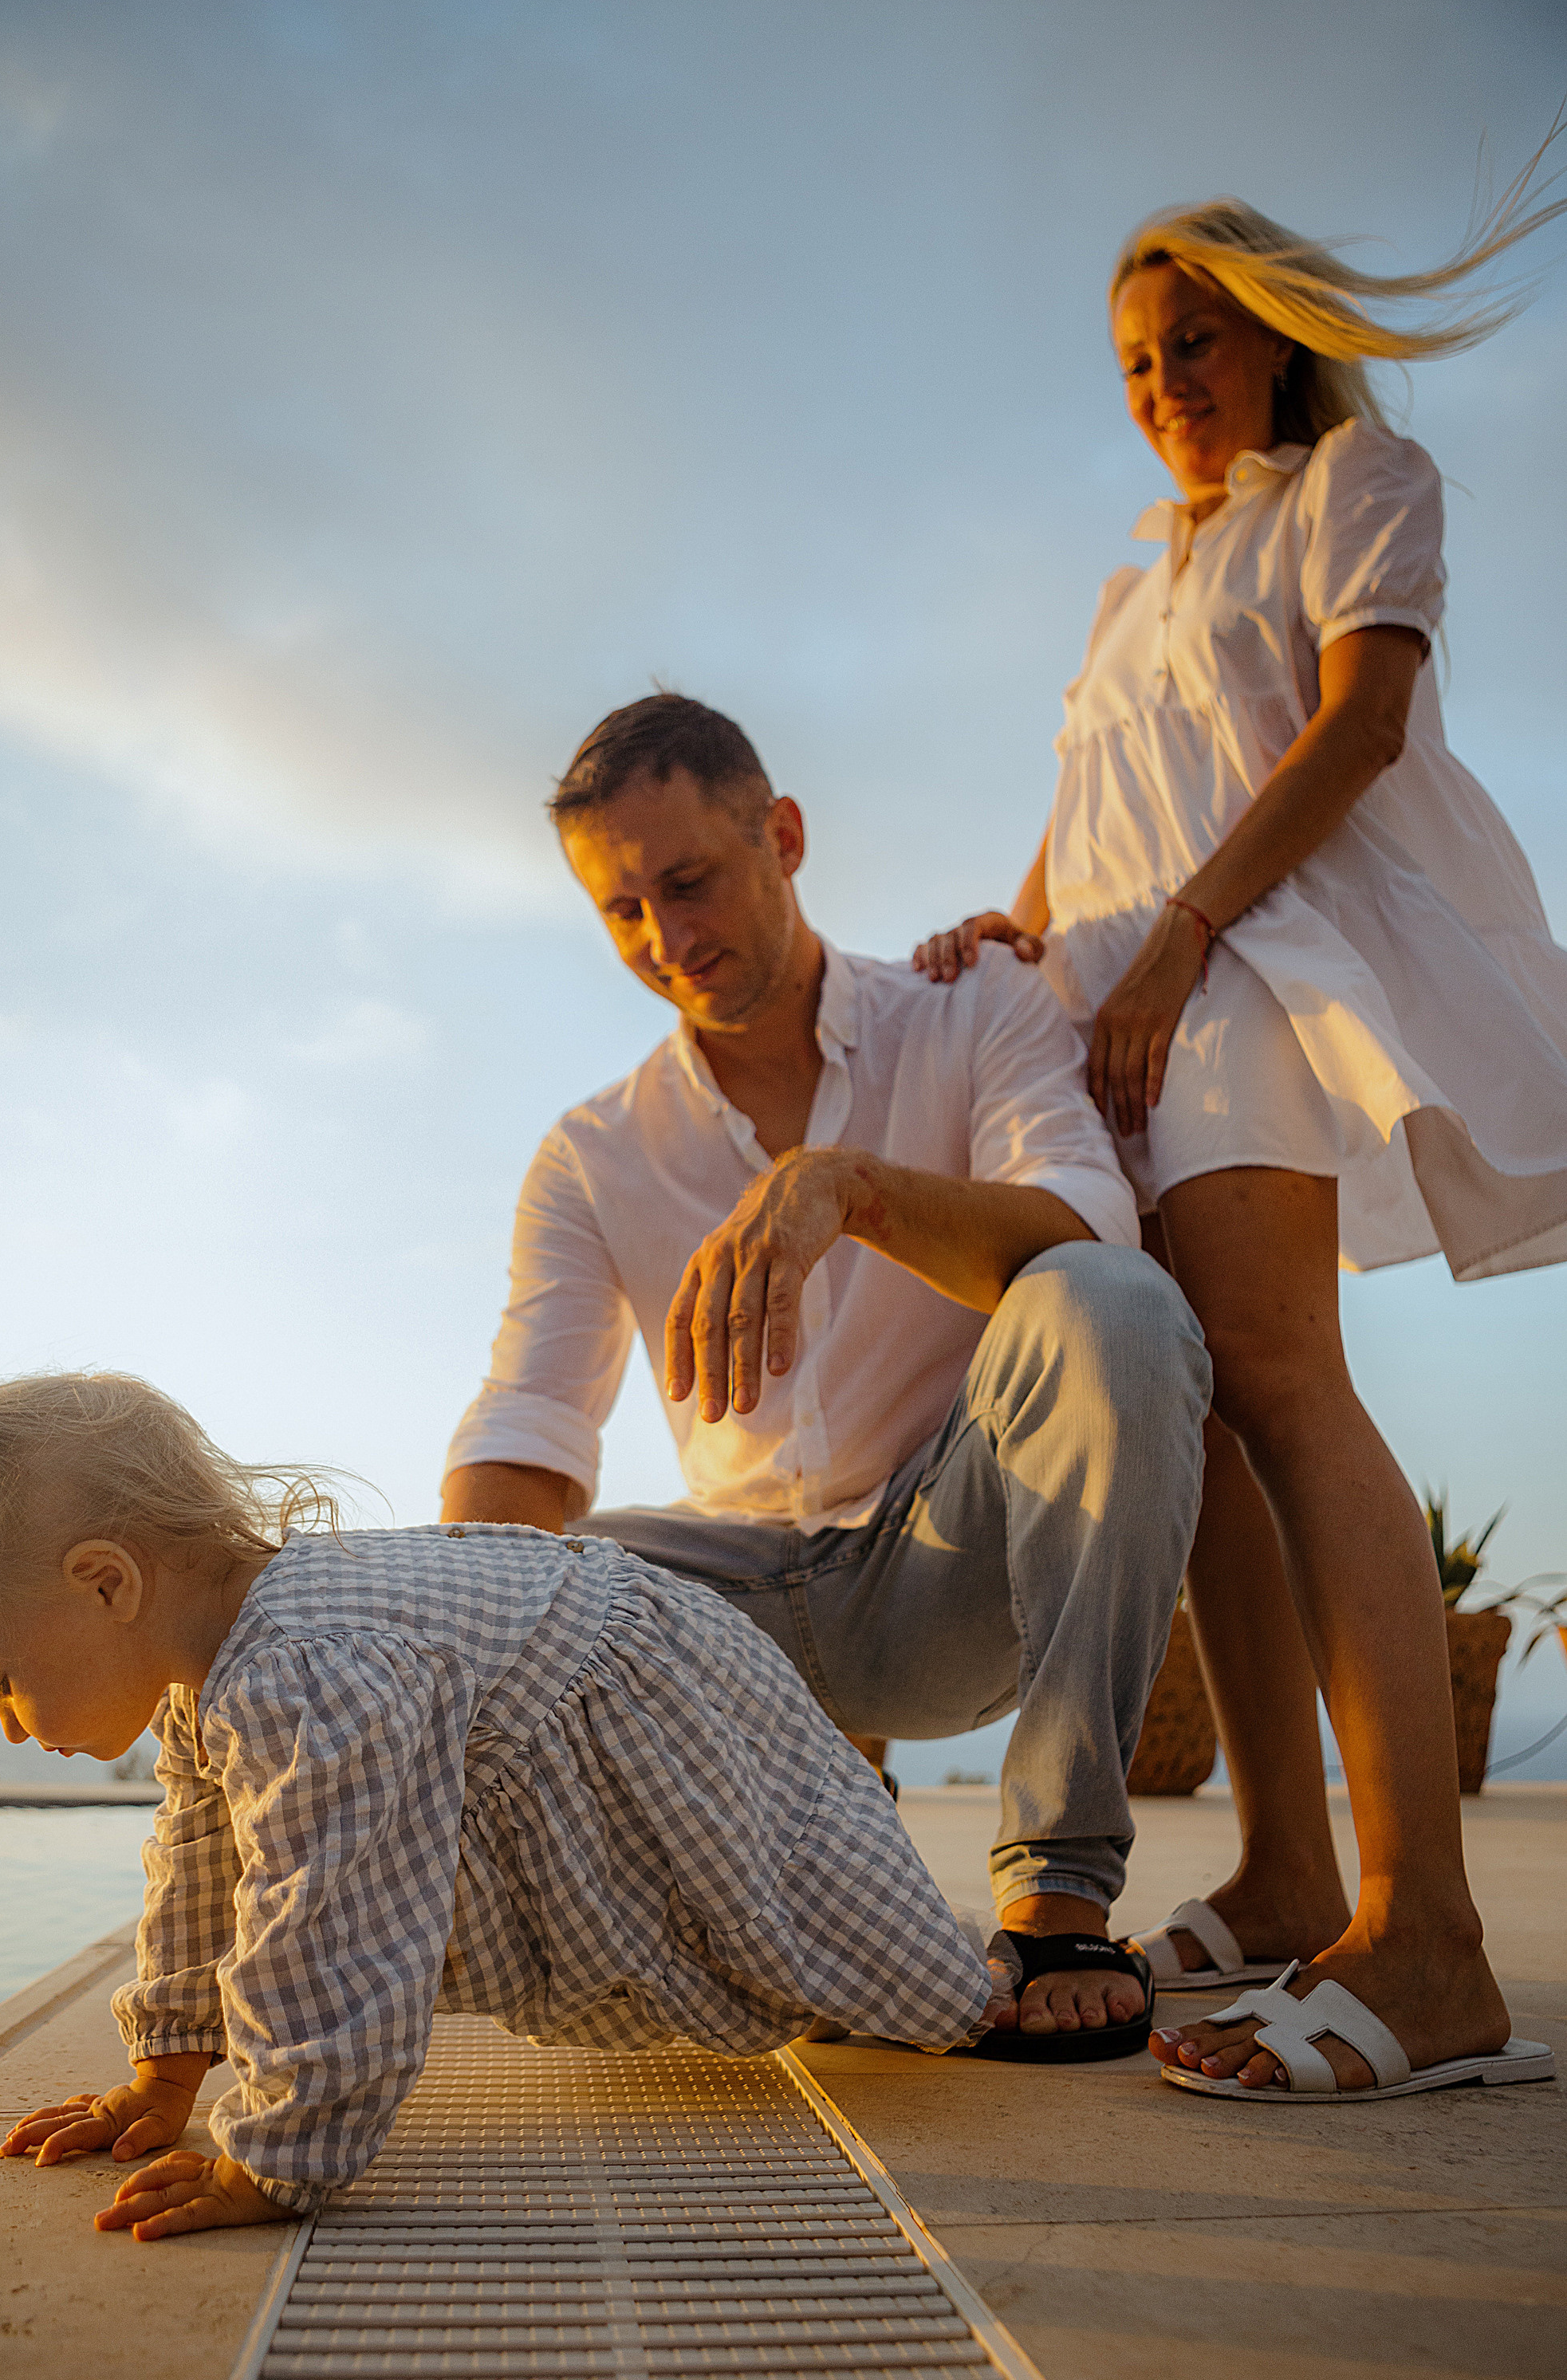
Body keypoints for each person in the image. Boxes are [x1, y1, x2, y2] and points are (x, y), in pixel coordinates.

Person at [916, 152, 1567, 2102]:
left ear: (1275, 337)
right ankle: (1287, 1873)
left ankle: (1428, 1944)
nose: (1162, 383)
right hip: (1114, 1000)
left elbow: (1354, 728)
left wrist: (1180, 938)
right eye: (1133, 361)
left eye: (1191, 339)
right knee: (1192, 1419)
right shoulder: (1131, 588)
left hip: (1236, 974)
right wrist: (1012, 925)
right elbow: (1091, 821)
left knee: (1281, 1379)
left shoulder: (1356, 485)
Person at [443, 693, 1211, 2060]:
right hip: (733, 1624)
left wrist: (850, 1191)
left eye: (689, 880)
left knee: (1116, 1299)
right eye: (623, 911)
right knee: (495, 1576)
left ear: (783, 837)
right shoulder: (592, 1151)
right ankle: (783, 1891)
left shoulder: (973, 1007)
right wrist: (439, 1654)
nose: (667, 938)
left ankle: (1055, 1895)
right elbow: (530, 1429)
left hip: (955, 1569)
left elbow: (1088, 1221)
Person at [0, 1345, 1002, 2239]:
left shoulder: (304, 1676)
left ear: (105, 1583)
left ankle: (995, 1981)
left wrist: (276, 2156)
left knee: (815, 1912)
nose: (9, 1724)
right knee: (762, 1940)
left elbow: (330, 1922)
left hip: (664, 1696)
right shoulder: (209, 1678)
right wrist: (167, 2070)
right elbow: (202, 1870)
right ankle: (906, 1972)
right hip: (612, 1682)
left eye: (2, 1682)